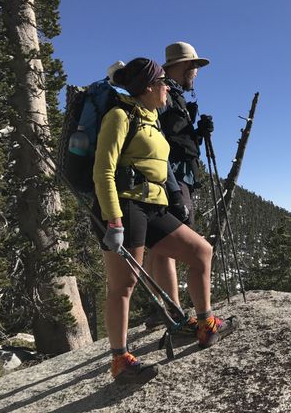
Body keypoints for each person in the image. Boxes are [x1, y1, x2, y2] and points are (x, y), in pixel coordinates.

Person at [92, 57, 233, 385]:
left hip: (154, 207)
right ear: (149, 87)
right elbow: (104, 170)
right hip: (126, 208)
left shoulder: (150, 117)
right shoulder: (120, 115)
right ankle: (120, 361)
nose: (167, 88)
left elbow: (162, 163)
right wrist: (113, 220)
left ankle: (205, 324)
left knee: (201, 252)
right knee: (123, 286)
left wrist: (173, 197)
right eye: (162, 83)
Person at [144, 42, 213, 330]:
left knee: (161, 247)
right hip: (170, 178)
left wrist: (197, 132)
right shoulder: (164, 94)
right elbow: (158, 142)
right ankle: (179, 316)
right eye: (194, 67)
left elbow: (175, 141)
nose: (196, 73)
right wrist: (173, 190)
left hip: (172, 177)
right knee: (171, 245)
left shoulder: (173, 95)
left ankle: (171, 311)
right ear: (184, 65)